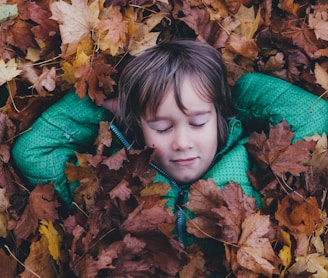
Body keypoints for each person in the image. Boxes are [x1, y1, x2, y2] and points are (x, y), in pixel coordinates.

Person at [11, 39, 328, 250]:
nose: (182, 142)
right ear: (139, 127)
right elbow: (33, 151)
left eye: (198, 122)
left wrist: (238, 95)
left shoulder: (256, 166)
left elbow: (314, 115)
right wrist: (104, 106)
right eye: (162, 126)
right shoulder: (112, 183)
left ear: (218, 117)